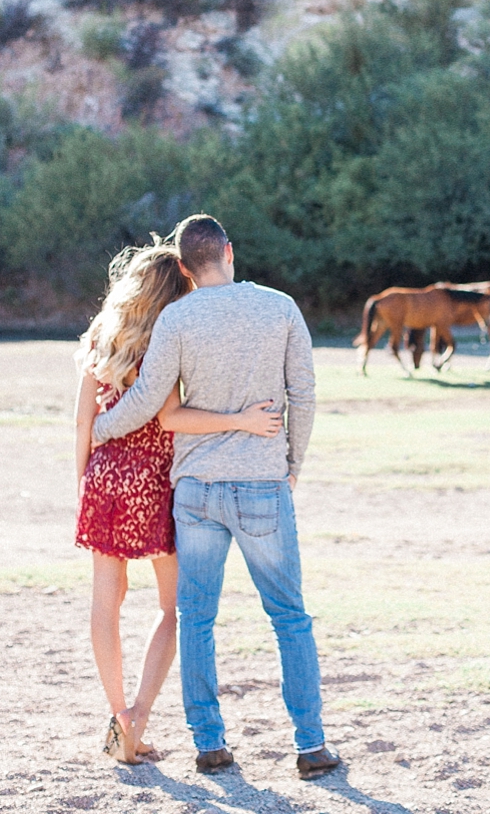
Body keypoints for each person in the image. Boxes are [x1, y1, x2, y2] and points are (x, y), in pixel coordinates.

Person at [91, 214, 340, 782]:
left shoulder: (177, 318)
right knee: (290, 619)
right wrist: (292, 463)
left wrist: (98, 431)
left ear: (183, 267)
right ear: (230, 251)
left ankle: (210, 745)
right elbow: (303, 392)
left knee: (195, 618)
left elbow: (148, 402)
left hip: (196, 491)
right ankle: (310, 747)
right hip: (261, 485)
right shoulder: (280, 307)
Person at [74, 236, 282, 765]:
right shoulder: (170, 336)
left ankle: (119, 715)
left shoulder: (103, 333)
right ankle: (138, 716)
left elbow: (83, 422)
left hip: (103, 477)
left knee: (107, 600)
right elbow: (166, 414)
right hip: (154, 478)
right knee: (174, 607)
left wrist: (84, 486)